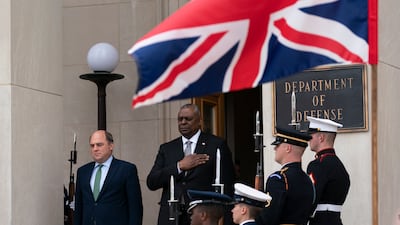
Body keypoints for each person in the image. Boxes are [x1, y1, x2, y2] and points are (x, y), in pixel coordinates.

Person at [147, 103, 236, 225]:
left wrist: (224, 218)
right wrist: (179, 166)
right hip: (172, 216)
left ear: (199, 121)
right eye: (180, 119)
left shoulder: (216, 145)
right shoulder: (167, 148)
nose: (183, 122)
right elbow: (152, 181)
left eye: (188, 119)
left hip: (202, 216)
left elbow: (227, 184)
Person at [74, 130, 143, 225]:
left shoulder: (126, 169)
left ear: (111, 146)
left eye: (99, 145)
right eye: (92, 145)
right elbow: (78, 207)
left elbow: (135, 208)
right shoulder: (82, 172)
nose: (95, 149)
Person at [255, 127, 315, 225]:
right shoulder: (308, 180)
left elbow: (269, 217)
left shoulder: (278, 179)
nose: (275, 148)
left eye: (278, 145)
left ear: (288, 148)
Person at [306, 116, 350, 225]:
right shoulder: (340, 166)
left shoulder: (317, 165)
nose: (308, 139)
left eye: (311, 135)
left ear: (321, 137)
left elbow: (311, 198)